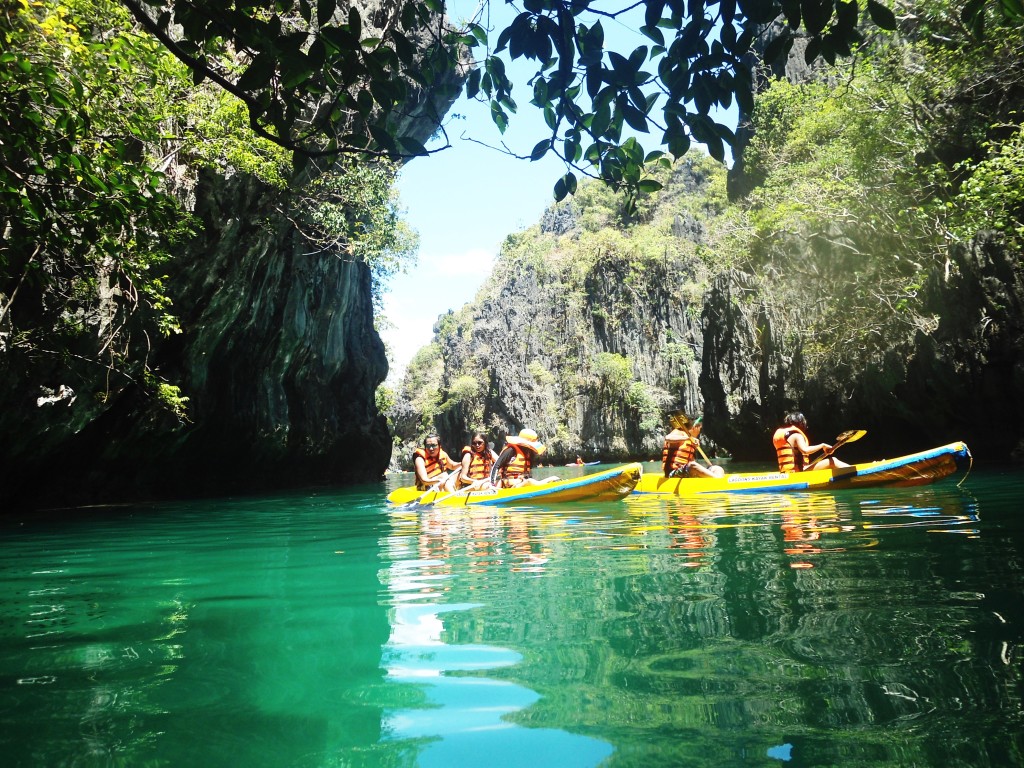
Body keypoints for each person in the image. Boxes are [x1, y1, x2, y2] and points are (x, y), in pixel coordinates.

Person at [773, 412, 850, 472]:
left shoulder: (783, 434)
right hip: (798, 473)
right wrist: (822, 445)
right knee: (833, 461)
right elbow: (805, 450)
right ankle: (856, 472)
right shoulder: (796, 435)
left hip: (787, 473)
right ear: (800, 423)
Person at [489, 428, 559, 488]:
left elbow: (528, 472)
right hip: (509, 484)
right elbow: (496, 466)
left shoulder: (529, 453)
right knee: (530, 481)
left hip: (522, 483)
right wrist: (492, 484)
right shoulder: (511, 450)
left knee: (553, 478)